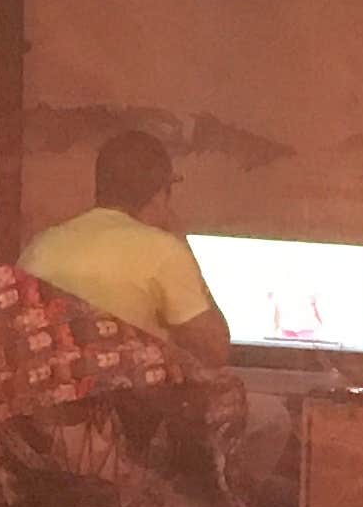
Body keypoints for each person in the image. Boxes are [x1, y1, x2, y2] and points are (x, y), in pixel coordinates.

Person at [21, 129, 232, 371]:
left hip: (52, 392)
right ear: (159, 196)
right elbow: (215, 350)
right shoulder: (163, 250)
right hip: (128, 393)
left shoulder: (40, 246)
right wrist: (181, 241)